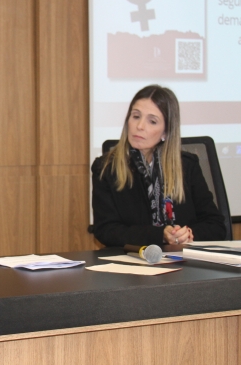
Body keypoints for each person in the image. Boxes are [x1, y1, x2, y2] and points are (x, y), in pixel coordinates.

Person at [91, 85, 226, 247]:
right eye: (135, 116)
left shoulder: (187, 166)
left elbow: (216, 225)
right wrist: (160, 235)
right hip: (134, 264)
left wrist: (188, 234)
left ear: (165, 132)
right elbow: (106, 230)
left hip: (185, 265)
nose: (140, 126)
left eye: (152, 121)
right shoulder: (106, 168)